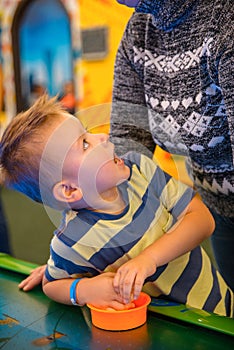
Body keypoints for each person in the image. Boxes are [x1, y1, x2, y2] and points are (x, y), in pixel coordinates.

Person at [0, 94, 232, 317]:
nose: (102, 137)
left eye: (88, 133)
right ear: (70, 190)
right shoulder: (71, 240)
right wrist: (83, 289)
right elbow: (52, 284)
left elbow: (203, 220)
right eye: (84, 144)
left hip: (217, 304)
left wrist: (147, 260)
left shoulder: (141, 170)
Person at [111, 0, 234, 291]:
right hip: (219, 205)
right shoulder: (139, 31)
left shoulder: (223, 18)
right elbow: (127, 145)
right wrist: (74, 258)